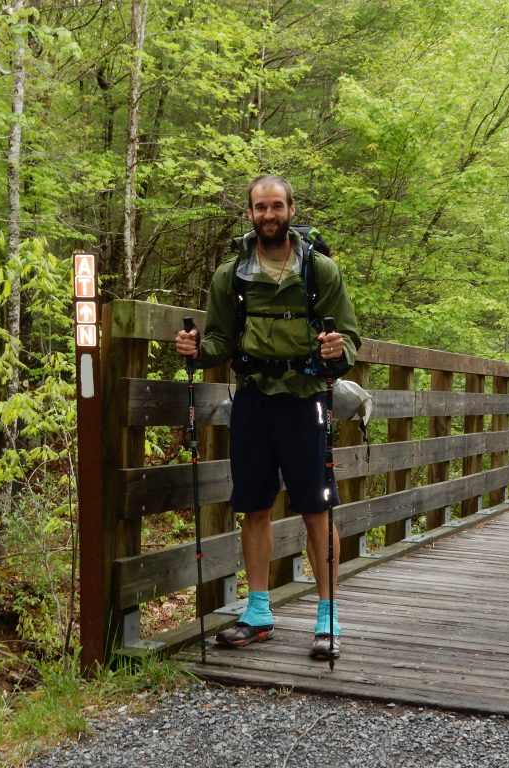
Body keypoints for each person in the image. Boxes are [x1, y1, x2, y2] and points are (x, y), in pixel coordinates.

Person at [175, 174, 361, 661]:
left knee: (316, 508)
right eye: (260, 208)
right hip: (254, 398)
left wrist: (338, 350)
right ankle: (258, 613)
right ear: (251, 213)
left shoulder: (320, 271)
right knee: (253, 506)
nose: (269, 215)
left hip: (305, 398)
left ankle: (328, 615)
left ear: (291, 210)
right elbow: (219, 342)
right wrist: (195, 349)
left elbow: (351, 341)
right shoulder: (230, 275)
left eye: (276, 206)